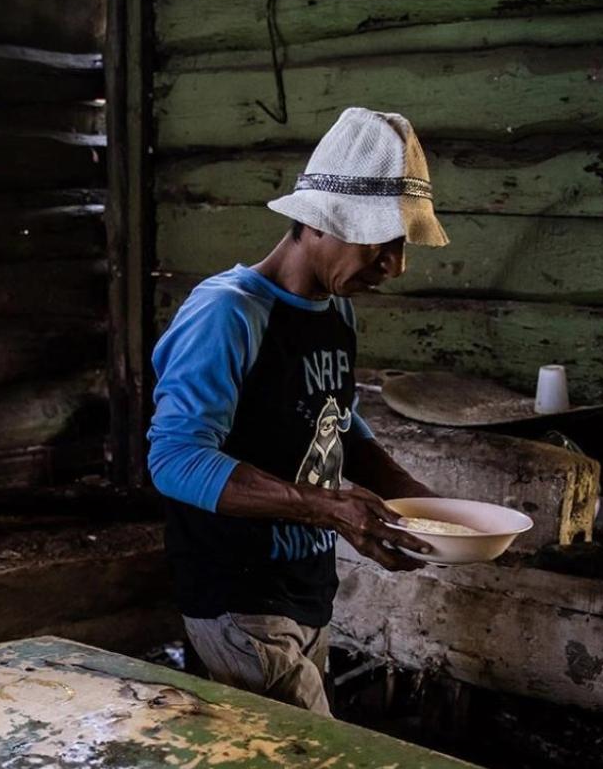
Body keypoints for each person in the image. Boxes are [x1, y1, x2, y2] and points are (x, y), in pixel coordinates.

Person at [147, 107, 448, 715]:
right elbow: (174, 457)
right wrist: (328, 508)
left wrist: (417, 498)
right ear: (315, 224)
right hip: (239, 603)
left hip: (304, 594)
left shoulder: (336, 311)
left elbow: (335, 418)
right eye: (379, 241)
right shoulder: (228, 314)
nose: (395, 265)